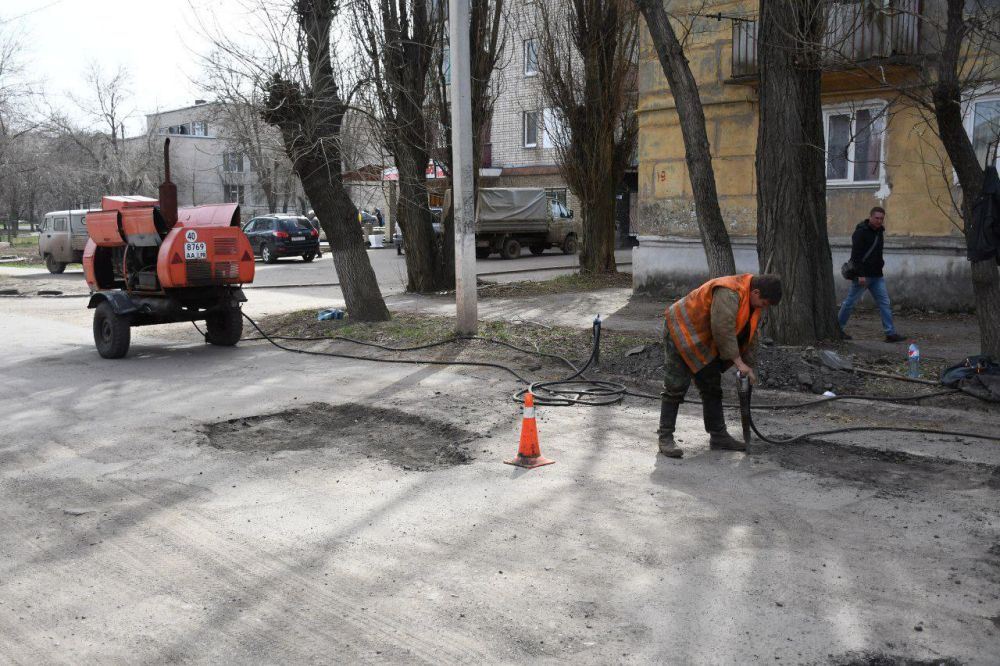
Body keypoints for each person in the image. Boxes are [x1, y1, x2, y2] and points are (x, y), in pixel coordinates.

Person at [657, 273, 782, 458]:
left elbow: (750, 335)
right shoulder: (729, 292)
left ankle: (718, 436)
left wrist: (749, 367)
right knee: (675, 385)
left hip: (703, 339)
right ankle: (665, 437)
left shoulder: (751, 301)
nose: (762, 308)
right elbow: (723, 329)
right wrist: (739, 363)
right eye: (763, 303)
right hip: (681, 331)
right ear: (756, 292)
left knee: (712, 386)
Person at [838, 206, 905, 343]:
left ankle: (890, 334)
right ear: (870, 217)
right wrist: (861, 275)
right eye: (877, 218)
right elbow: (856, 256)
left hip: (877, 276)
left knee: (885, 303)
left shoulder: (880, 232)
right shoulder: (860, 232)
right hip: (863, 276)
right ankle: (838, 329)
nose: (879, 221)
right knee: (850, 303)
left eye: (881, 218)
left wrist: (880, 265)